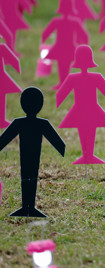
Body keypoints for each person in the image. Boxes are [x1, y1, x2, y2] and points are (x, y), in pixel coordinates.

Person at [0, 87, 65, 217]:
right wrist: (61, 149)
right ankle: (26, 207)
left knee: (29, 176)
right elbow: (59, 143)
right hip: (30, 153)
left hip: (30, 153)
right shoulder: (39, 123)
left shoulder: (22, 122)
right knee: (28, 176)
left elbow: (3, 139)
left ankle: (28, 207)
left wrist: (61, 148)